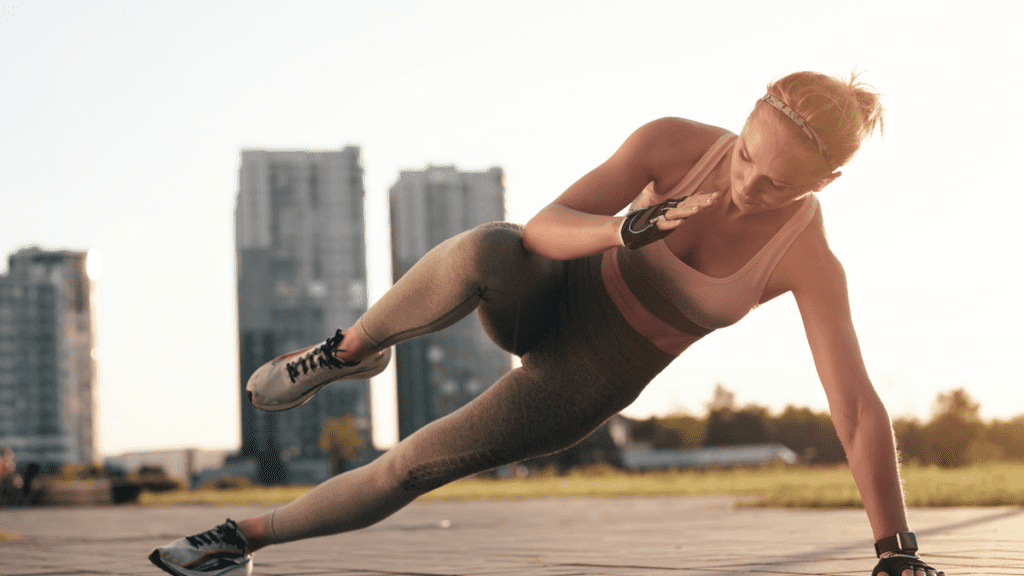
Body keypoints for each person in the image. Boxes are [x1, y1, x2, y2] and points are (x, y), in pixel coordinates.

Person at [150, 71, 946, 576]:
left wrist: (894, 550)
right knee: (490, 247)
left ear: (827, 184)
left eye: (777, 185)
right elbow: (543, 226)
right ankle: (351, 350)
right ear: (740, 124)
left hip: (585, 379)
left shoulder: (805, 257)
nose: (746, 187)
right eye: (745, 157)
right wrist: (622, 231)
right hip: (549, 293)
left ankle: (238, 541)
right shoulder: (671, 144)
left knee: (414, 464)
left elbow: (854, 407)